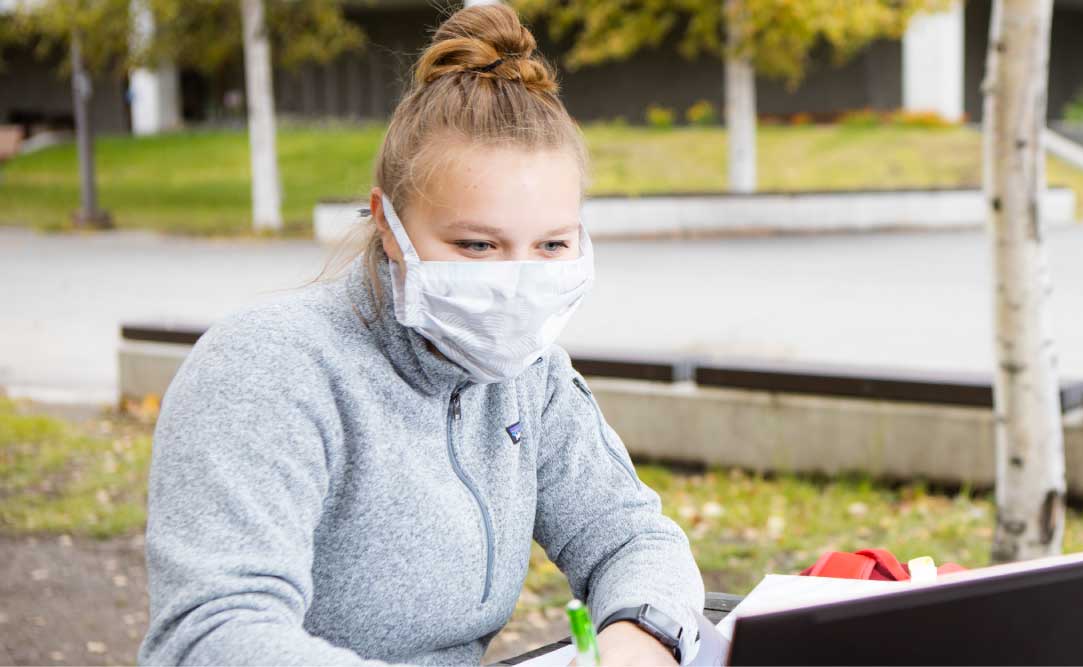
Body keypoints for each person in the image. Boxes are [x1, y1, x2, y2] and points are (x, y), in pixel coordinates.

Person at [137, 5, 703, 665]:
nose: (516, 282)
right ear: (389, 225)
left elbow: (633, 537)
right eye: (477, 244)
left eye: (551, 244)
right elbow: (214, 635)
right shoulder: (266, 369)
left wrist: (640, 642)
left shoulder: (529, 374)